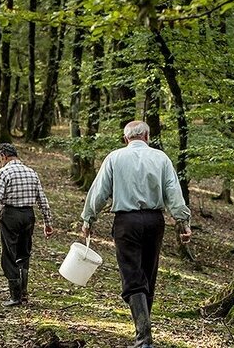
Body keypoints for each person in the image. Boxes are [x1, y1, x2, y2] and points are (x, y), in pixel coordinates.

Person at [81, 121, 191, 348]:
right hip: (154, 221)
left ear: (125, 139)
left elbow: (99, 191)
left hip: (126, 222)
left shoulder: (115, 157)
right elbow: (173, 192)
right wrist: (183, 221)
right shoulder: (161, 158)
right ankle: (143, 334)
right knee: (148, 275)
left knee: (133, 275)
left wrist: (88, 218)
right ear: (148, 136)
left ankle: (143, 337)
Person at [0, 143, 53, 307]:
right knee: (24, 253)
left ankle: (15, 296)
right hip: (28, 216)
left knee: (9, 255)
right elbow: (42, 200)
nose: (0, 163)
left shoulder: (4, 172)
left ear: (4, 156)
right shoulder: (32, 173)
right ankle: (24, 294)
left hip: (10, 216)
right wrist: (48, 223)